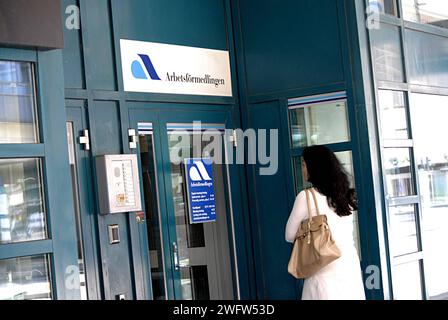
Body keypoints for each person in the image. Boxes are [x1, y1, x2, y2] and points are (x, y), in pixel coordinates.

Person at [285, 145, 365, 300]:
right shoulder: (345, 195)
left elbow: (289, 235)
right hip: (349, 267)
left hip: (323, 267)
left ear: (314, 167)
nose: (302, 169)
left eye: (303, 164)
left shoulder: (306, 197)